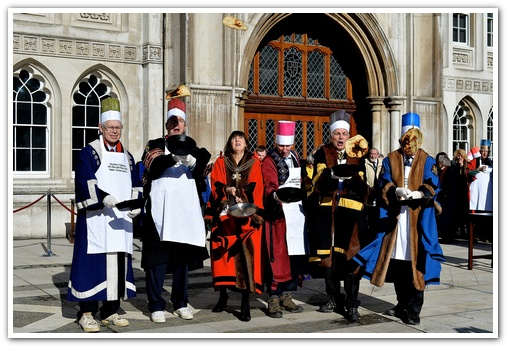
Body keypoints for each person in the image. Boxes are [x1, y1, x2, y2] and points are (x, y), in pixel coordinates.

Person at [350, 112, 445, 326]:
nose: (408, 146)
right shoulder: (391, 159)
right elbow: (383, 181)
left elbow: (433, 182)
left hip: (417, 221)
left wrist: (420, 194)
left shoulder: (427, 159)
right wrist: (394, 191)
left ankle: (413, 309)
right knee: (399, 265)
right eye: (405, 142)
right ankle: (401, 303)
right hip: (396, 220)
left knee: (416, 265)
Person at [67, 97, 142, 332]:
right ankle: (87, 313)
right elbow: (85, 181)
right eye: (110, 128)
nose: (114, 132)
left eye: (118, 128)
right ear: (101, 128)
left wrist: (137, 204)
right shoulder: (88, 152)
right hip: (96, 220)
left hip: (120, 221)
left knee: (117, 264)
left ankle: (110, 310)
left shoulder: (127, 156)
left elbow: (135, 183)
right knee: (92, 264)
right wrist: (102, 197)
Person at [140, 97, 211, 323]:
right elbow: (154, 166)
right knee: (157, 261)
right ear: (167, 126)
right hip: (159, 214)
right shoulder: (155, 145)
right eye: (172, 122)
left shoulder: (197, 150)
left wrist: (193, 163)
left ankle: (180, 302)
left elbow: (202, 180)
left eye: (180, 122)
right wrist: (174, 156)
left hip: (184, 215)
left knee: (182, 262)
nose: (176, 125)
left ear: (185, 125)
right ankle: (156, 304)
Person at [306, 110, 370, 322]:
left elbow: (364, 188)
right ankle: (333, 296)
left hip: (350, 213)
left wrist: (352, 177)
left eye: (344, 133)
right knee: (329, 258)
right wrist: (331, 176)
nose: (341, 137)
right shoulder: (322, 153)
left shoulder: (357, 155)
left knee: (351, 258)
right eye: (337, 134)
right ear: (331, 135)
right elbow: (315, 183)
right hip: (328, 212)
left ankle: (352, 304)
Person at [206, 130, 265, 322]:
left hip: (247, 218)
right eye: (234, 138)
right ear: (229, 142)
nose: (237, 140)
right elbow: (215, 185)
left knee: (247, 258)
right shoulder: (221, 162)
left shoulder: (254, 163)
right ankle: (223, 296)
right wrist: (226, 190)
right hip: (225, 218)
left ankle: (245, 303)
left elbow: (257, 186)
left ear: (247, 144)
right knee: (223, 259)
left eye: (241, 138)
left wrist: (242, 194)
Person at [261, 121, 308, 318]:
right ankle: (273, 296)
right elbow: (269, 182)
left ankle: (287, 294)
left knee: (295, 253)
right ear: (276, 143)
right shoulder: (269, 160)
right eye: (281, 146)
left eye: (288, 146)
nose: (284, 150)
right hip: (278, 214)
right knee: (277, 255)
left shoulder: (296, 157)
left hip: (296, 213)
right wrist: (274, 195)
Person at [467, 139, 493, 242]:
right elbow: (468, 173)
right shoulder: (474, 161)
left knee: (487, 218)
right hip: (476, 195)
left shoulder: (492, 163)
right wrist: (477, 170)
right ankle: (476, 235)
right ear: (480, 152)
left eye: (486, 152)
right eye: (483, 151)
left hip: (488, 195)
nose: (484, 153)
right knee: (477, 217)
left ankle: (487, 236)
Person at [435, 153, 457, 243]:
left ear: (442, 163)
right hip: (444, 198)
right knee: (445, 219)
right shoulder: (442, 171)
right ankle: (445, 236)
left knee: (448, 219)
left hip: (449, 198)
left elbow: (450, 185)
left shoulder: (450, 171)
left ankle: (448, 237)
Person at [451, 148, 470, 238]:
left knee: (465, 212)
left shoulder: (466, 165)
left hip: (465, 192)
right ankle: (460, 231)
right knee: (458, 213)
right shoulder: (454, 166)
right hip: (457, 192)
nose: (459, 158)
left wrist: (462, 166)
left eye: (461, 156)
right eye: (458, 157)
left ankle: (465, 231)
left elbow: (466, 176)